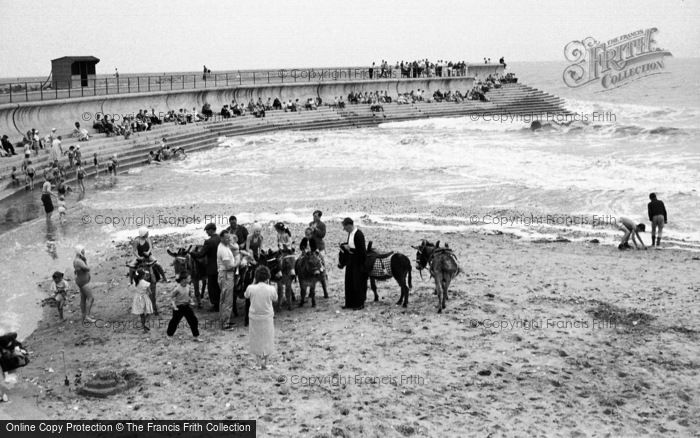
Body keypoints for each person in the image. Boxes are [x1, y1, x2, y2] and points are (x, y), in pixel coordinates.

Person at [244, 266, 278, 370]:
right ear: (268, 277)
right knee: (268, 338)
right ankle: (266, 363)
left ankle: (258, 363)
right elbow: (275, 298)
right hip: (267, 317)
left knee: (256, 338)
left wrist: (253, 283)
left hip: (254, 317)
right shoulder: (271, 289)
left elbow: (246, 295)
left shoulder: (251, 288)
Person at [340, 217, 367, 309]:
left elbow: (362, 251)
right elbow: (350, 244)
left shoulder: (358, 234)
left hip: (358, 261)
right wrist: (343, 245)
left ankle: (359, 303)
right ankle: (349, 303)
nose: (345, 229)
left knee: (357, 283)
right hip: (350, 260)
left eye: (345, 227)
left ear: (349, 225)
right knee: (349, 281)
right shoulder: (350, 233)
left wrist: (350, 249)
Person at [193, 223, 221, 311]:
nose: (206, 232)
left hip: (212, 268)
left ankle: (216, 305)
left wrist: (192, 253)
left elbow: (201, 254)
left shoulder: (208, 242)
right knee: (219, 286)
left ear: (212, 230)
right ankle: (220, 303)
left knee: (212, 287)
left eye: (207, 230)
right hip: (220, 266)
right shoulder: (220, 238)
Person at [166, 273, 201, 341]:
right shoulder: (177, 289)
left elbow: (189, 295)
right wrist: (174, 306)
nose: (190, 279)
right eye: (189, 278)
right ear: (183, 280)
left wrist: (191, 301)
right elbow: (172, 298)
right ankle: (169, 335)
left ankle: (196, 336)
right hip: (178, 307)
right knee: (175, 321)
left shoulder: (188, 286)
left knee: (193, 320)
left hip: (186, 306)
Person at [217, 230, 239, 330]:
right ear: (221, 238)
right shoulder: (223, 250)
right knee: (227, 300)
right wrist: (237, 262)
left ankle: (224, 319)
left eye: (229, 238)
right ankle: (225, 323)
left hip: (224, 275)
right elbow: (229, 266)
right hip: (227, 275)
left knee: (223, 299)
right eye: (226, 238)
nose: (228, 239)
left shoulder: (224, 246)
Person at [73, 245, 95, 323]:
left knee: (83, 298)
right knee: (91, 298)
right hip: (83, 282)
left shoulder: (78, 260)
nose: (84, 252)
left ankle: (84, 315)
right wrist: (85, 261)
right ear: (79, 251)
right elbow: (87, 268)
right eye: (82, 250)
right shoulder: (78, 261)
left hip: (81, 280)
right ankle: (87, 316)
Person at [309, 210, 328, 297]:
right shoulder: (310, 223)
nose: (314, 217)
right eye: (314, 216)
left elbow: (322, 235)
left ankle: (324, 277)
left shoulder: (322, 225)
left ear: (319, 217)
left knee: (322, 262)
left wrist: (315, 229)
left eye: (316, 216)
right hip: (312, 246)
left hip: (320, 246)